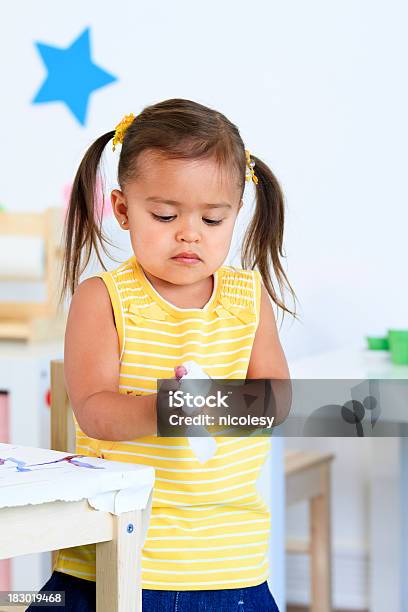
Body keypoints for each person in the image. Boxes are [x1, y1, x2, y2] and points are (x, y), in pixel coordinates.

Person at [29, 98, 297, 611]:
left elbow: (277, 403)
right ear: (124, 210)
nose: (189, 233)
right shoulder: (104, 297)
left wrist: (207, 404)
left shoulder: (247, 298)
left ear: (236, 214)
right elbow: (94, 409)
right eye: (166, 214)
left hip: (227, 561)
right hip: (117, 555)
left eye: (213, 219)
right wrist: (170, 407)